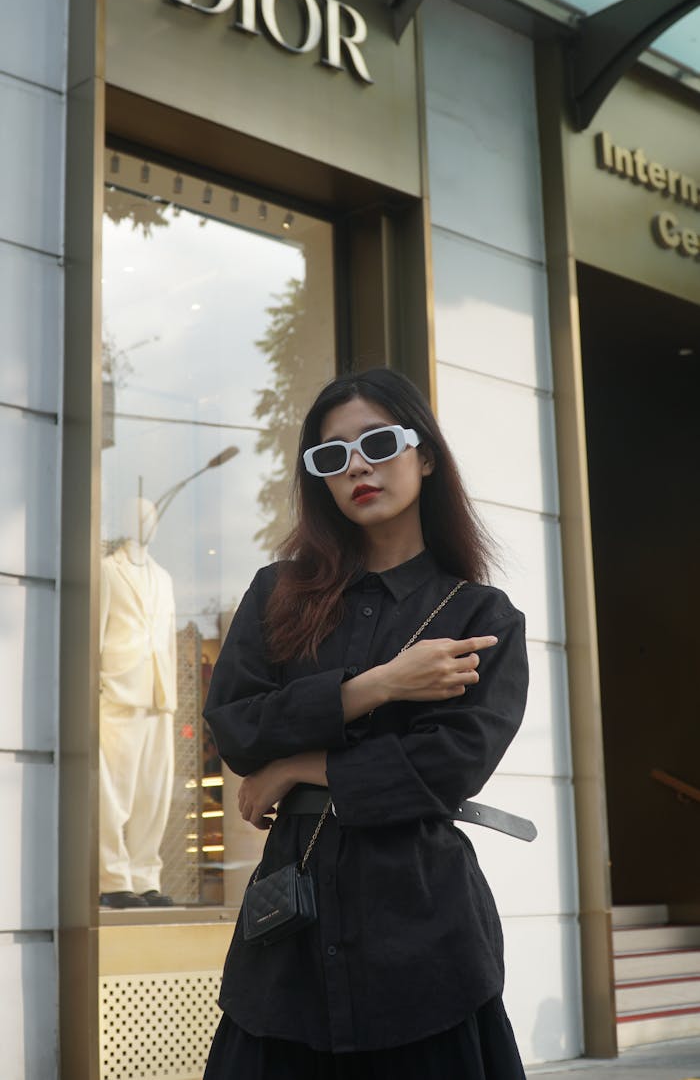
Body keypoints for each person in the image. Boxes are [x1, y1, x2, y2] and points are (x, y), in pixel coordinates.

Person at [203, 367, 529, 1078]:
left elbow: (444, 769)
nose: (356, 467)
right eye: (331, 456)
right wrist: (377, 686)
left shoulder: (483, 617)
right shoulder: (278, 594)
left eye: (378, 443)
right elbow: (235, 727)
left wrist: (296, 765)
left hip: (425, 935)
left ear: (427, 454)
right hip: (286, 942)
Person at [99, 496, 177, 908]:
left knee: (154, 792)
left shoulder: (164, 578)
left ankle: (146, 875)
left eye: (151, 516)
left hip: (159, 695)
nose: (147, 522)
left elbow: (165, 638)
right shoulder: (108, 571)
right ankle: (113, 877)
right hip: (118, 691)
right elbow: (94, 634)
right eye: (138, 515)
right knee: (113, 791)